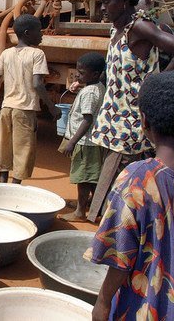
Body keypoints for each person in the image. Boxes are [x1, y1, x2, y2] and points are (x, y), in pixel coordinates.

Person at [88, 71, 174, 320]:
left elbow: (119, 255)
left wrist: (103, 301)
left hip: (148, 305)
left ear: (144, 121)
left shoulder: (138, 179)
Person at [86, 0, 174, 222]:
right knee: (123, 181)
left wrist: (156, 86)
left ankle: (110, 227)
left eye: (106, 2)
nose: (101, 8)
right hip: (116, 119)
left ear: (124, 2)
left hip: (132, 123)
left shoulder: (138, 28)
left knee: (121, 181)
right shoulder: (118, 28)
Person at [0, 14, 60, 184]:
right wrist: (51, 107)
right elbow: (37, 84)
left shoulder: (6, 53)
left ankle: (2, 186)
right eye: (39, 30)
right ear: (28, 33)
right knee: (23, 151)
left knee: (3, 149)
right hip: (25, 110)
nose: (42, 34)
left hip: (6, 109)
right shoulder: (37, 54)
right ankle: (15, 188)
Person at [58, 52, 106, 221]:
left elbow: (87, 119)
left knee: (84, 178)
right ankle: (94, 205)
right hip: (90, 141)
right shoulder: (95, 87)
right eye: (78, 70)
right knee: (91, 176)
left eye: (82, 72)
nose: (77, 74)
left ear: (95, 74)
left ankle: (80, 212)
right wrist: (80, 83)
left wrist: (72, 141)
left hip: (86, 142)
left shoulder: (89, 93)